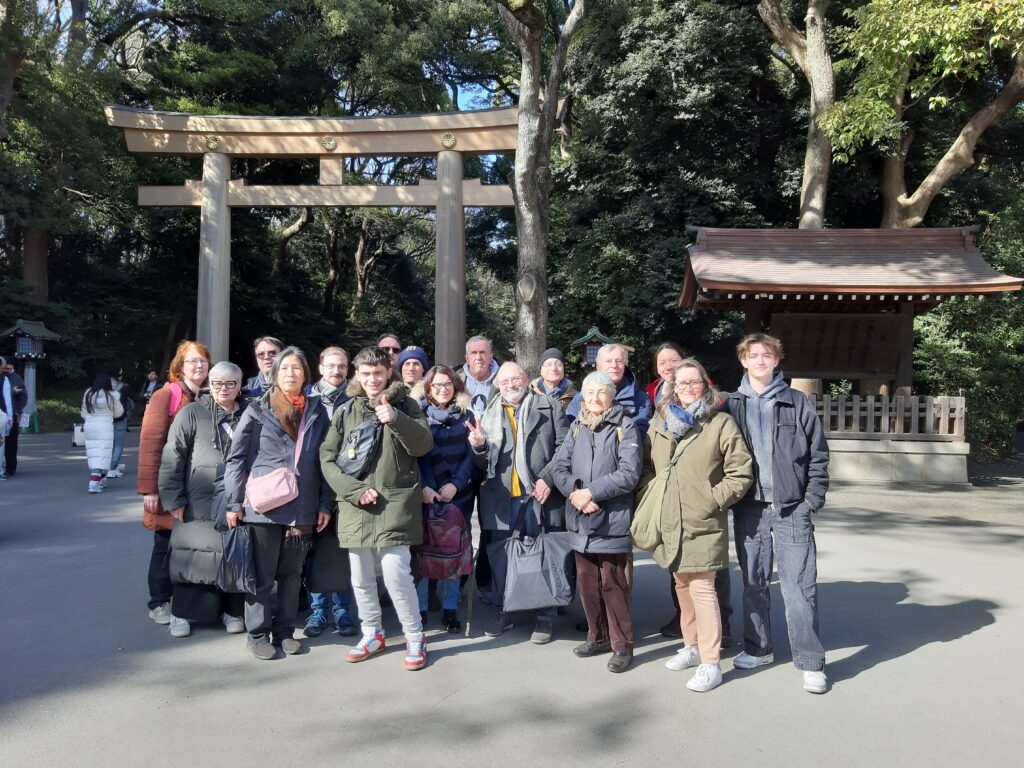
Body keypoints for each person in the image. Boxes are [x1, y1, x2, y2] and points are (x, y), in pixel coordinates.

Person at [726, 333, 830, 694]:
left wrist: (811, 499)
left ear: (776, 360)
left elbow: (818, 453)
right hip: (748, 507)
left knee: (800, 585)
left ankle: (810, 661)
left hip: (791, 506)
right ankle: (758, 648)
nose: (759, 360)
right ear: (743, 360)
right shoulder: (731, 404)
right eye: (753, 355)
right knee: (753, 583)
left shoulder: (795, 402)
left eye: (766, 355)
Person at [319, 346, 433, 670]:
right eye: (366, 374)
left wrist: (396, 419)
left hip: (396, 503)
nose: (372, 379)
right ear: (357, 374)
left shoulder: (407, 404)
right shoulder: (345, 410)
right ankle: (372, 633)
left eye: (378, 373)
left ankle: (415, 636)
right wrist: (354, 492)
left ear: (388, 373)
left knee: (397, 574)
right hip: (357, 506)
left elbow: (424, 444)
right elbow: (327, 459)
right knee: (361, 577)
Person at [643, 359, 752, 693]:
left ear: (706, 384)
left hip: (703, 518)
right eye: (681, 384)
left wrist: (710, 500)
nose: (687, 389)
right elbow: (646, 465)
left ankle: (710, 662)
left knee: (703, 589)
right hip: (668, 516)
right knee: (681, 583)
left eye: (694, 383)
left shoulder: (720, 423)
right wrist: (652, 495)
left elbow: (740, 472)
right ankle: (690, 645)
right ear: (672, 388)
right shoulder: (660, 421)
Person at [224, 347, 333, 660]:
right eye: (285, 368)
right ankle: (257, 634)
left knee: (291, 573)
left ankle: (285, 631)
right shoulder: (258, 408)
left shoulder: (316, 410)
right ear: (274, 374)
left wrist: (324, 503)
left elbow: (325, 460)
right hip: (264, 504)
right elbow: (237, 457)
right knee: (261, 573)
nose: (290, 374)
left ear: (305, 374)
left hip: (303, 504)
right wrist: (234, 502)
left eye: (297, 368)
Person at [470, 361, 568, 644]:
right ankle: (506, 609)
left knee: (543, 554)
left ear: (526, 379)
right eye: (504, 382)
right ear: (497, 386)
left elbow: (564, 447)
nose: (510, 385)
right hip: (502, 497)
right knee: (504, 558)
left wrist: (547, 478)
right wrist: (478, 446)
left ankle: (545, 615)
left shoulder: (549, 406)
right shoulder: (489, 413)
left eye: (515, 379)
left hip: (538, 494)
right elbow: (482, 462)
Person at [550, 372, 642, 673]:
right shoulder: (577, 426)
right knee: (587, 583)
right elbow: (560, 466)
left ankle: (622, 645)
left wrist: (592, 492)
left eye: (602, 392)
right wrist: (575, 494)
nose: (595, 398)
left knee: (613, 583)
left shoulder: (624, 425)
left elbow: (629, 473)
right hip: (579, 517)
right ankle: (597, 635)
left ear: (611, 396)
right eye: (590, 392)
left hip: (611, 518)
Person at [158, 361, 247, 638]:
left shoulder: (248, 413)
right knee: (192, 555)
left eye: (231, 383)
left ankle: (232, 610)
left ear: (240, 385)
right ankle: (181, 613)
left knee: (232, 555)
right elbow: (173, 456)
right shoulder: (191, 413)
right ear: (210, 384)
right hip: (197, 498)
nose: (224, 389)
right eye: (218, 383)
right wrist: (173, 498)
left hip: (235, 498)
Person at [138, 340, 210, 626]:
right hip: (168, 484)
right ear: (180, 366)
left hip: (198, 487)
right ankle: (158, 601)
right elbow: (150, 443)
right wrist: (149, 489)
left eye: (203, 361)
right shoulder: (166, 395)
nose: (198, 366)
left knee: (190, 545)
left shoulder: (208, 396)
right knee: (164, 545)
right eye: (192, 361)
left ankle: (186, 601)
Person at [411, 364, 476, 633]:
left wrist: (456, 484)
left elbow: (471, 455)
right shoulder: (416, 415)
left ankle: (450, 609)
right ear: (427, 388)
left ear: (456, 387)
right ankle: (422, 608)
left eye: (448, 384)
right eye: (437, 385)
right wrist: (425, 487)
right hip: (425, 494)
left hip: (457, 495)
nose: (442, 389)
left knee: (452, 554)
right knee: (424, 553)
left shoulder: (466, 415)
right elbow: (412, 456)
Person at [304, 346, 358, 638]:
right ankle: (318, 608)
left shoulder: (352, 401)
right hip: (312, 484)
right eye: (331, 366)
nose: (337, 371)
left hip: (344, 483)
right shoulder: (307, 400)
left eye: (342, 367)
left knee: (342, 550)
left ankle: (342, 609)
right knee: (316, 550)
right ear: (320, 366)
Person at [566, 343, 653, 440]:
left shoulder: (641, 399)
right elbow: (569, 433)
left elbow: (638, 437)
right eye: (608, 361)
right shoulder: (582, 398)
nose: (614, 365)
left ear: (625, 365)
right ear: (598, 366)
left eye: (619, 361)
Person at [81, 373, 124, 493]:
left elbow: (84, 412)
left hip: (90, 426)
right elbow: (118, 412)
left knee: (94, 453)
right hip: (104, 426)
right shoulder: (112, 396)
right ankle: (94, 482)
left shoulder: (88, 394)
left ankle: (101, 479)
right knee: (103, 454)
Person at [109, 369, 143, 479]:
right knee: (118, 444)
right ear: (119, 377)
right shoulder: (124, 387)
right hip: (120, 417)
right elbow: (137, 398)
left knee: (108, 444)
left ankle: (108, 466)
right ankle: (113, 467)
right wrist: (148, 399)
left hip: (106, 419)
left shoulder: (103, 387)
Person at [0, 356, 28, 479]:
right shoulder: (3, 379)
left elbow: (24, 396)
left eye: (10, 368)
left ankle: (11, 467)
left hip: (12, 414)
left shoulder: (16, 378)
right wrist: (12, 391)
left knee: (11, 443)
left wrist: (18, 410)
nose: (7, 370)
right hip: (4, 413)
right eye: (6, 367)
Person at [460, 335, 499, 420]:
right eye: (474, 353)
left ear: (490, 357)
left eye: (482, 352)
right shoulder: (455, 381)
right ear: (467, 358)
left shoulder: (504, 380)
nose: (478, 358)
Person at [646, 342, 685, 408]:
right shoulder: (651, 394)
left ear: (684, 362)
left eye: (674, 361)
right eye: (662, 363)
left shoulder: (701, 388)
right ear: (657, 369)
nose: (668, 367)